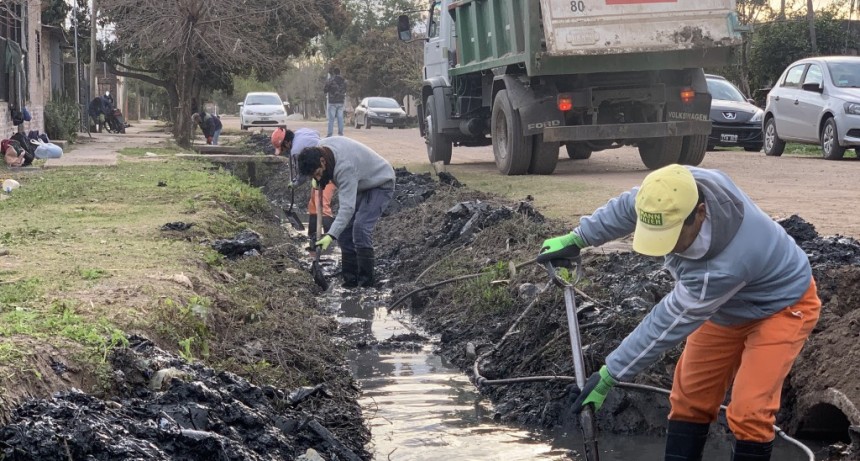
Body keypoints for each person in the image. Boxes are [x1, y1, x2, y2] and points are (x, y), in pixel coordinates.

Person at [537, 164, 820, 461]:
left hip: (781, 307)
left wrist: (610, 374)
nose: (666, 247)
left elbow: (666, 323)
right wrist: (578, 238)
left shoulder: (726, 265)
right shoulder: (671, 190)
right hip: (725, 309)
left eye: (672, 235)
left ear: (699, 214)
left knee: (749, 411)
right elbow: (626, 207)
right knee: (688, 400)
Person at [297, 137, 395, 288]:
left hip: (380, 183)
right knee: (344, 232)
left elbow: (347, 209)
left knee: (360, 228)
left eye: (317, 173)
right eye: (313, 176)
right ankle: (350, 280)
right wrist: (318, 178)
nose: (317, 177)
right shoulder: (321, 148)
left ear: (323, 162)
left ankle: (365, 284)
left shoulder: (345, 169)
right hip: (362, 183)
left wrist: (330, 235)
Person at [270, 126, 336, 242]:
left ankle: (330, 239)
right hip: (318, 169)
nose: (284, 151)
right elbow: (316, 131)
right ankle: (313, 234)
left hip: (328, 170)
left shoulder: (296, 151)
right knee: (313, 204)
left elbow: (303, 176)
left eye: (283, 148)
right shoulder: (301, 132)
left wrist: (295, 184)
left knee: (322, 204)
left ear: (287, 142)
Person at [323, 67, 347, 137]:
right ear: (340, 72)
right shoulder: (344, 81)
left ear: (334, 73)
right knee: (340, 118)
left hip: (332, 102)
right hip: (341, 102)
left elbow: (325, 90)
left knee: (331, 119)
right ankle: (340, 133)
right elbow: (345, 90)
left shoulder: (330, 80)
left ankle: (330, 134)